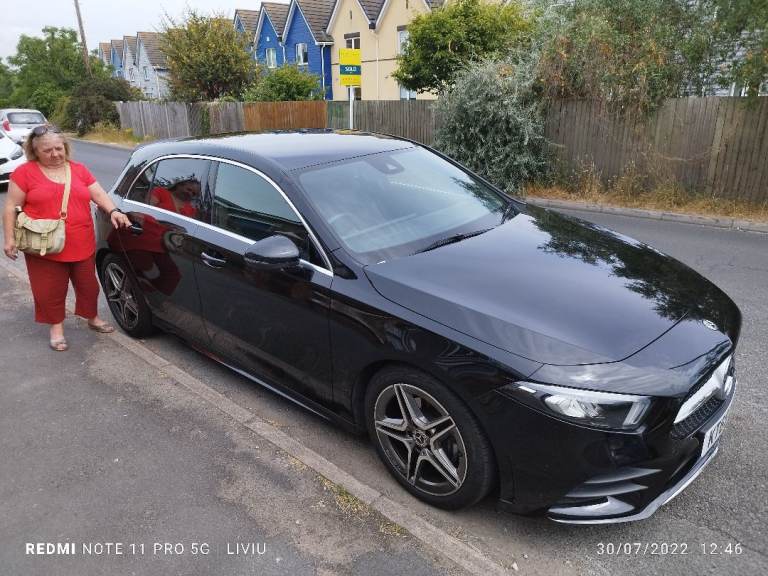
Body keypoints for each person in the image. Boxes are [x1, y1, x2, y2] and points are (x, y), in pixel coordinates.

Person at [2, 125, 132, 351]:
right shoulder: (24, 173)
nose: (55, 154)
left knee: (88, 285)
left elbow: (98, 193)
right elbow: (11, 206)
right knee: (49, 289)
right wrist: (9, 238)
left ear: (65, 147)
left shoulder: (79, 170)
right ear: (35, 151)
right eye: (47, 150)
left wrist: (113, 211)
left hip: (81, 239)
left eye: (58, 148)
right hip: (44, 243)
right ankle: (56, 328)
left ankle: (92, 317)